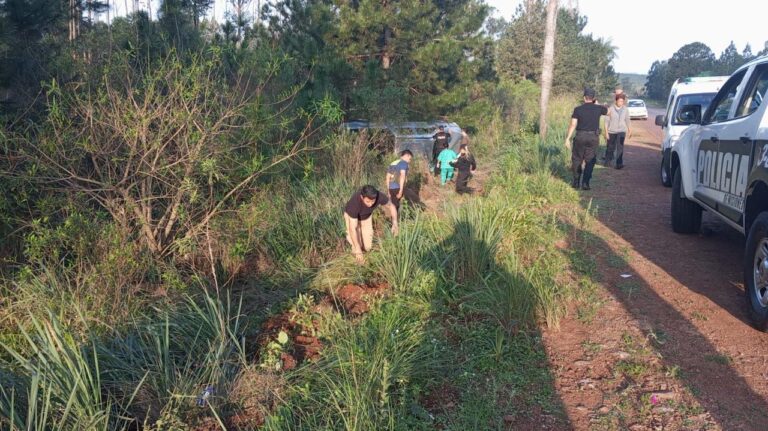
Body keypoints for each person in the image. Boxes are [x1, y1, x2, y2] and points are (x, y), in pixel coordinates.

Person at [564, 88, 608, 191]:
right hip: (593, 137)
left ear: (584, 98)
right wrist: (598, 104)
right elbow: (609, 112)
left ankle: (576, 182)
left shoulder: (577, 109)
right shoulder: (598, 108)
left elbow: (573, 124)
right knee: (590, 161)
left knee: (576, 159)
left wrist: (567, 138)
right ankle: (585, 183)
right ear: (593, 98)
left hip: (580, 136)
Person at [343, 185, 399, 264]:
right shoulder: (354, 203)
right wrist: (358, 249)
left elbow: (391, 206)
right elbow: (353, 228)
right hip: (352, 218)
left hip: (366, 218)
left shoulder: (379, 196)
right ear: (362, 197)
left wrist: (395, 223)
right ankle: (358, 262)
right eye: (368, 201)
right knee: (357, 245)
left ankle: (362, 252)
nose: (370, 204)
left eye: (373, 201)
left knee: (367, 247)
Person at [604, 93, 632, 169]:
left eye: (622, 101)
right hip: (611, 131)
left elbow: (627, 120)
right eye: (619, 101)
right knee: (610, 147)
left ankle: (619, 164)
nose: (621, 103)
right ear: (616, 101)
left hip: (621, 131)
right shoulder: (610, 108)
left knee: (620, 147)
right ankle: (607, 162)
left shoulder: (625, 109)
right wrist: (606, 132)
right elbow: (606, 121)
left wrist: (629, 130)